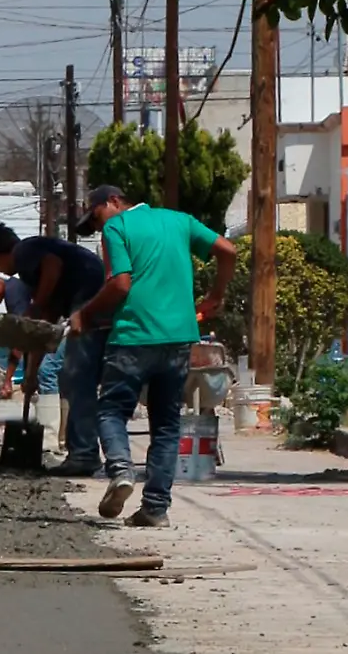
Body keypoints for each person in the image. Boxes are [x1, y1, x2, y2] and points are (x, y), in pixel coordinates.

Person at [70, 185, 236, 527]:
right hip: (178, 338)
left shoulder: (118, 228)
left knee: (112, 410)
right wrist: (215, 295)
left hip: (133, 336)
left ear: (114, 202)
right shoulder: (179, 221)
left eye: (98, 217)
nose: (99, 228)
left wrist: (85, 315)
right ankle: (155, 509)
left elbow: (121, 284)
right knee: (166, 423)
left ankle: (120, 469)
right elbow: (228, 250)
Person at [0, 223, 108, 476]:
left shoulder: (25, 250)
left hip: (90, 296)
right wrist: (31, 373)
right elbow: (44, 325)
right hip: (90, 299)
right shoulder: (35, 275)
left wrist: (37, 304)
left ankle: (84, 455)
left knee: (77, 377)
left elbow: (52, 264)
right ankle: (83, 451)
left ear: (2, 254)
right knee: (73, 377)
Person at [0, 267, 68, 446]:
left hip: (62, 330)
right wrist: (27, 374)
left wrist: (9, 380)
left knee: (46, 373)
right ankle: (63, 439)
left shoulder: (13, 292)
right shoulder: (15, 291)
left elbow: (22, 338)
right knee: (61, 381)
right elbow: (27, 340)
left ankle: (48, 442)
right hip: (56, 330)